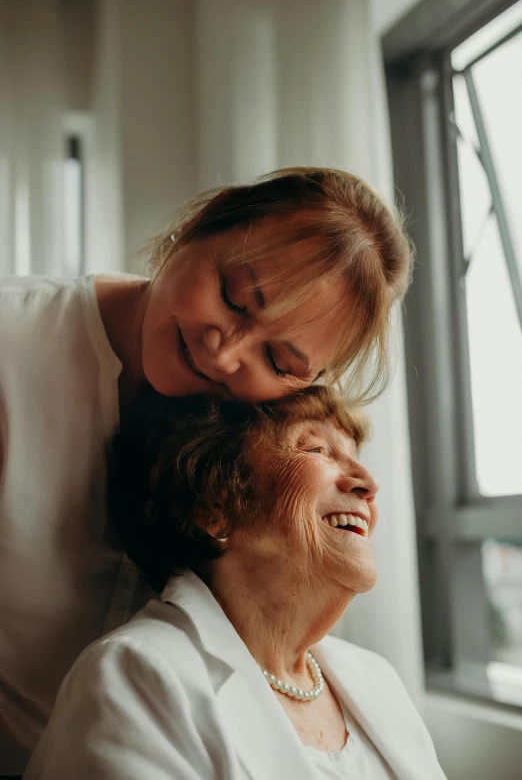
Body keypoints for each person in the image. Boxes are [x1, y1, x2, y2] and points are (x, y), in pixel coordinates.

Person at [0, 167, 413, 773]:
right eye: (234, 295)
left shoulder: (249, 439)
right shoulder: (12, 342)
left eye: (279, 357)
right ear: (199, 224)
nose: (225, 353)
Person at [24, 386, 446, 780]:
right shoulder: (133, 678)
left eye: (355, 455)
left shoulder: (376, 677)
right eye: (317, 449)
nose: (368, 484)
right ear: (213, 506)